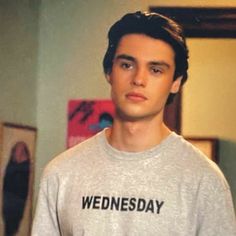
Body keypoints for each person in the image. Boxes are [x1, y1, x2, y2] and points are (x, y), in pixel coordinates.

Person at [32, 11, 236, 235]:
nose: (139, 79)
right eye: (127, 65)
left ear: (175, 82)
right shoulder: (61, 173)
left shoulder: (204, 181)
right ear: (110, 71)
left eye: (156, 69)